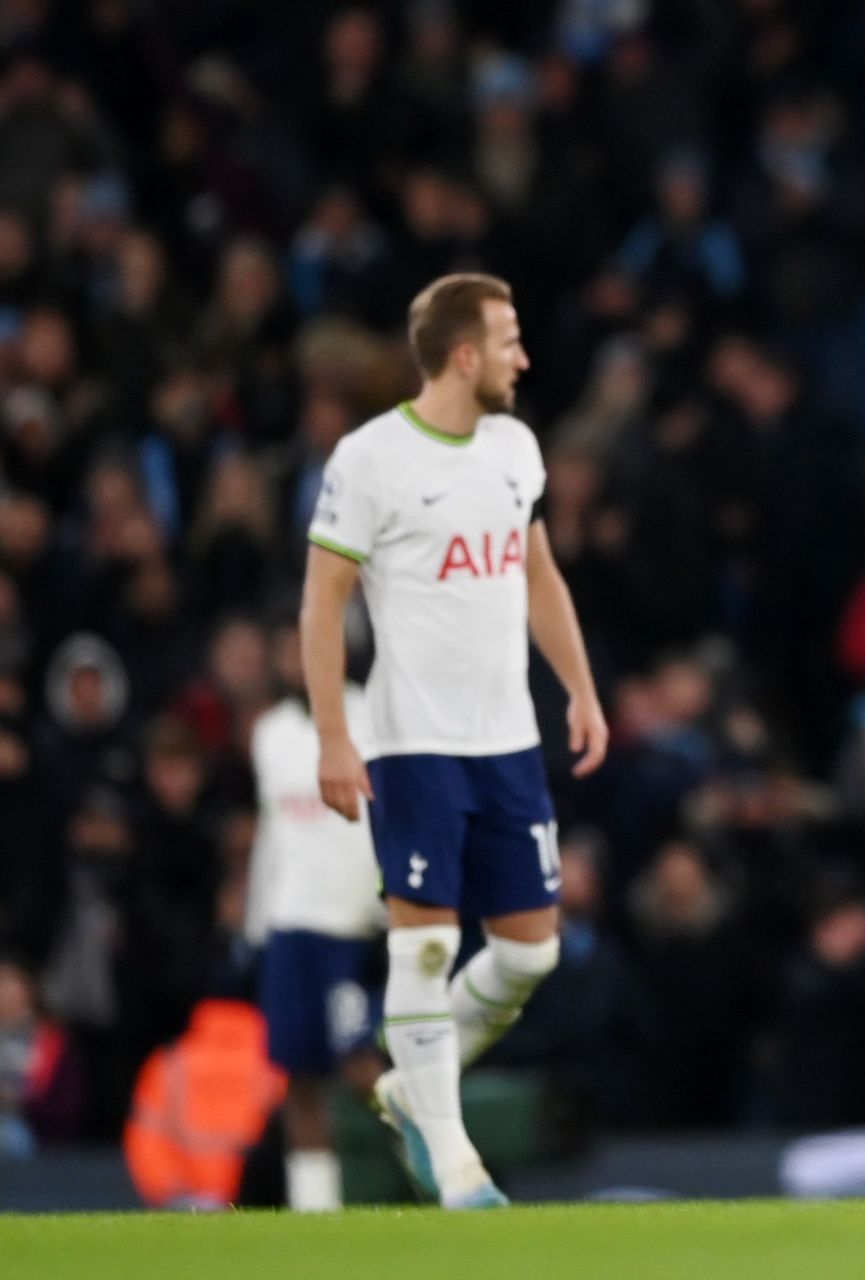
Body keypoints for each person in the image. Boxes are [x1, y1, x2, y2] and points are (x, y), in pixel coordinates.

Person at [300, 273, 609, 1209]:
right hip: (411, 743)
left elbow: (540, 575)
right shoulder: (371, 458)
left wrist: (582, 691)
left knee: (529, 953)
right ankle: (452, 1156)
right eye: (509, 340)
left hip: (507, 740)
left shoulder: (515, 447)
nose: (523, 357)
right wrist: (332, 737)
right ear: (464, 354)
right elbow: (322, 601)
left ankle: (411, 1080)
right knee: (425, 950)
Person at [245, 621, 386, 1211]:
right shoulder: (269, 733)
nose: (299, 661)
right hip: (289, 924)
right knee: (299, 1078)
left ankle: (441, 1176)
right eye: (289, 649)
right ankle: (315, 1209)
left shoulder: (372, 715)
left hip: (353, 927)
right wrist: (257, 919)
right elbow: (272, 832)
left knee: (363, 1069)